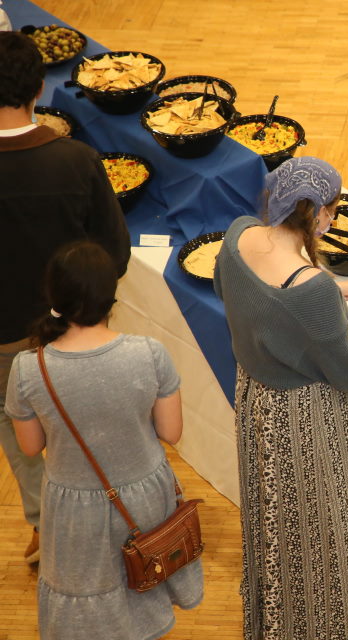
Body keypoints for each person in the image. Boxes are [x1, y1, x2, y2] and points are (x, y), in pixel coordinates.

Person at [214, 157, 348, 640]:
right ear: (319, 213)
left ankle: (277, 618)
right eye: (333, 211)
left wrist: (334, 292)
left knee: (274, 522)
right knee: (318, 525)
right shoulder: (310, 287)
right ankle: (321, 625)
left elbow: (239, 294)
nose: (334, 220)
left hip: (255, 397)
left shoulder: (237, 236)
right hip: (303, 416)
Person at [3, 241, 203, 639]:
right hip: (144, 498)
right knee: (143, 585)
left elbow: (28, 447)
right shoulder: (150, 353)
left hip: (72, 507)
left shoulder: (29, 368)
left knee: (87, 606)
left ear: (53, 296)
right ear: (112, 295)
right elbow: (171, 432)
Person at [0, 31, 130, 564]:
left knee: (17, 431)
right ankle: (102, 529)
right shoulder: (76, 161)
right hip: (72, 334)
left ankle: (44, 525)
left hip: (2, 343)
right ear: (40, 87)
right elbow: (114, 253)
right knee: (88, 432)